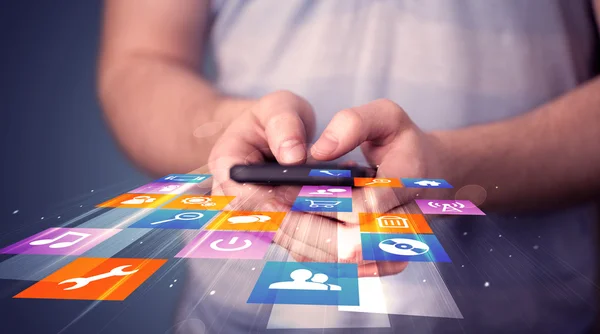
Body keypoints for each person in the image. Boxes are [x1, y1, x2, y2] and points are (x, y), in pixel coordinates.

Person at [98, 0, 600, 333]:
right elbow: (140, 63)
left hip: (521, 317)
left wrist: (448, 168)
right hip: (236, 316)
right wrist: (227, 128)